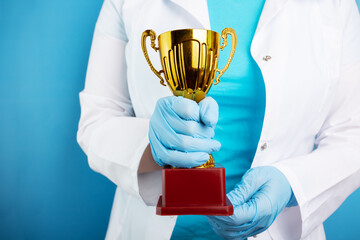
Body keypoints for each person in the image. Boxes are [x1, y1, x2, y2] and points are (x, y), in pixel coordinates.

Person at [77, 0, 360, 239]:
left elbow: (353, 132)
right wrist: (151, 145)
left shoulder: (336, 5)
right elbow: (98, 118)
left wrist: (292, 185)